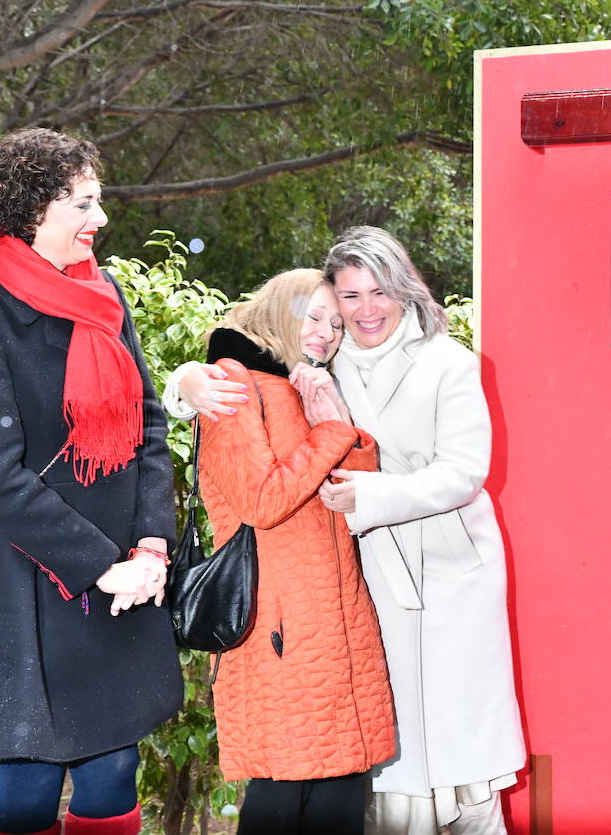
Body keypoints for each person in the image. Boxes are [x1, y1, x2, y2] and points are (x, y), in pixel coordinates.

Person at [169, 227, 525, 835]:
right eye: (348, 298)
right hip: (353, 580)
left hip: (444, 571)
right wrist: (185, 382)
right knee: (373, 759)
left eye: (378, 292)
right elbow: (247, 375)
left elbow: (463, 472)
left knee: (458, 747)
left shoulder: (447, 361)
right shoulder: (319, 364)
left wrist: (368, 493)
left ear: (406, 290)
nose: (363, 313)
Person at [0, 128, 182, 835]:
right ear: (30, 212)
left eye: (99, 199)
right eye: (82, 203)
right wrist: (102, 568)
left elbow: (147, 423)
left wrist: (150, 545)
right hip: (33, 580)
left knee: (113, 771)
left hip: (123, 577)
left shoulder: (103, 292)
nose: (101, 218)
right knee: (30, 781)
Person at [195, 269, 395, 833]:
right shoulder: (235, 383)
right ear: (280, 311)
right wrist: (331, 433)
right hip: (278, 619)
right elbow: (260, 499)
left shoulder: (304, 385)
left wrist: (335, 417)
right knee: (286, 785)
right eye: (313, 317)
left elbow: (355, 490)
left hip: (338, 614)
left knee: (340, 786)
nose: (326, 333)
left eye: (336, 324)